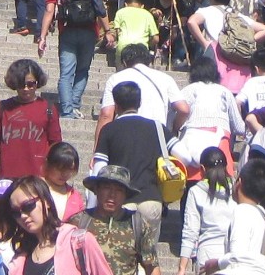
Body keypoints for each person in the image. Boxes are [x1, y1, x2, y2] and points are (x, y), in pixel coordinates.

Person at [72, 166, 165, 275]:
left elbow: (152, 268)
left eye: (118, 190)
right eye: (107, 188)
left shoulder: (137, 223)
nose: (112, 195)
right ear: (97, 190)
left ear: (126, 195)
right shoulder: (79, 222)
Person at [92, 81, 168, 243]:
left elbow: (99, 170)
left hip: (121, 201)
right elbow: (187, 157)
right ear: (139, 103)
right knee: (147, 255)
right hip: (152, 199)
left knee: (123, 252)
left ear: (116, 105)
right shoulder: (157, 128)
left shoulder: (109, 129)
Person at [39, 0, 108, 119]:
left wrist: (43, 36)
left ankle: (67, 111)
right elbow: (100, 7)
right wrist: (108, 31)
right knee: (83, 70)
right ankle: (75, 104)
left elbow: (49, 11)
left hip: (67, 30)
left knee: (66, 73)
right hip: (89, 31)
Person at [0, 58, 63, 188]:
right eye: (21, 84)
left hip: (37, 178)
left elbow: (56, 144)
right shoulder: (4, 108)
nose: (26, 88)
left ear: (37, 82)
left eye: (31, 84)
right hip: (8, 177)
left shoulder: (48, 108)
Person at [175, 148, 237, 275]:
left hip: (206, 258)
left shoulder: (196, 192)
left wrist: (182, 267)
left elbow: (190, 231)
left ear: (202, 169)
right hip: (233, 256)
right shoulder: (237, 189)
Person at [170, 55, 246, 167]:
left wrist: (175, 129)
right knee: (221, 180)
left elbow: (177, 114)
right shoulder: (225, 92)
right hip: (220, 141)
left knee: (191, 180)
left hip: (191, 140)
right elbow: (240, 128)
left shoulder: (190, 90)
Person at [97, 45, 180, 131]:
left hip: (125, 132)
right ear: (149, 61)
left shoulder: (116, 78)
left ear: (124, 62)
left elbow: (106, 115)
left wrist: (99, 143)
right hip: (157, 134)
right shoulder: (166, 78)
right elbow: (183, 109)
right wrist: (174, 129)